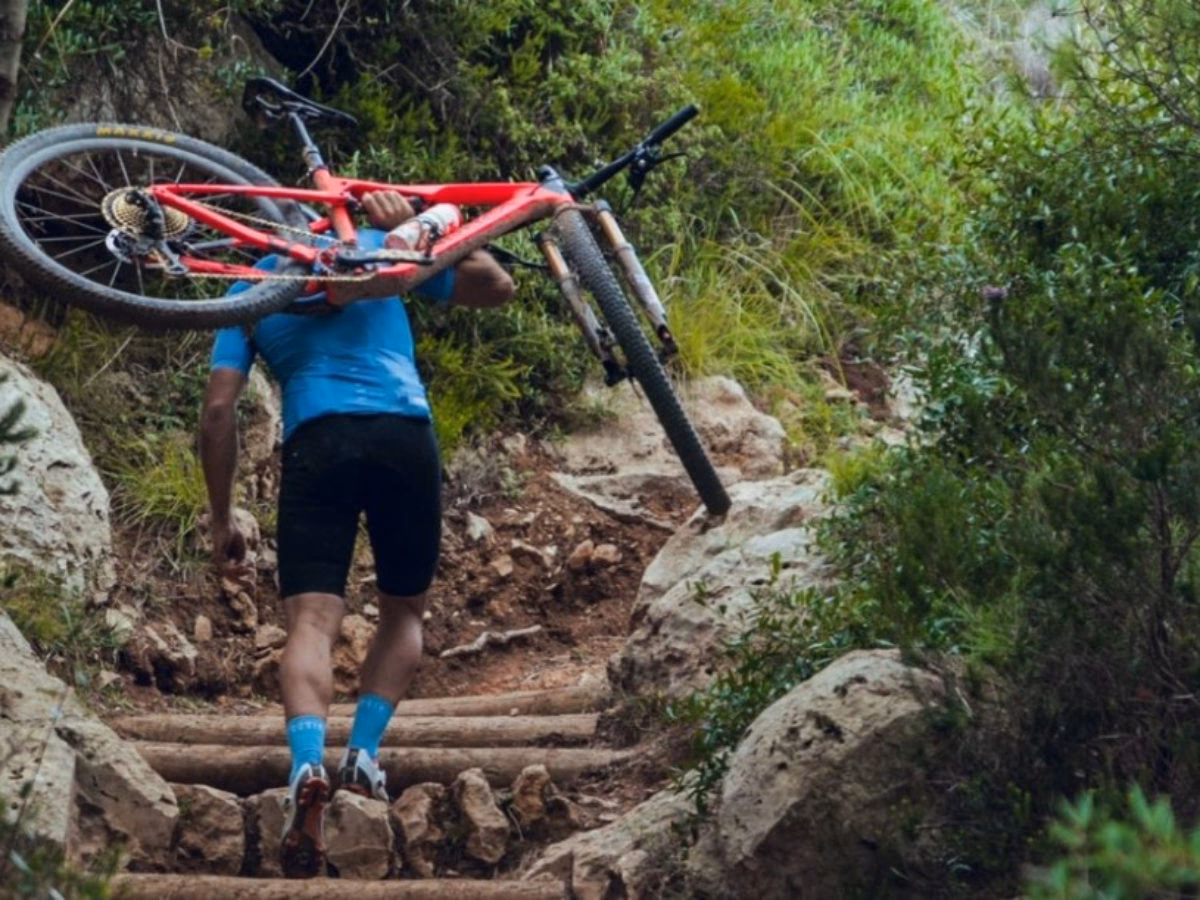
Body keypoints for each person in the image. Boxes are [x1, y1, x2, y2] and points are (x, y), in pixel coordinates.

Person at [198, 190, 515, 878]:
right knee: (404, 609)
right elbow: (497, 286)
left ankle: (307, 762)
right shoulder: (374, 250)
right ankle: (363, 758)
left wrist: (222, 517)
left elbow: (220, 410)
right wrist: (409, 227)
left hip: (318, 440)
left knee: (310, 622)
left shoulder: (247, 288)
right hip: (405, 435)